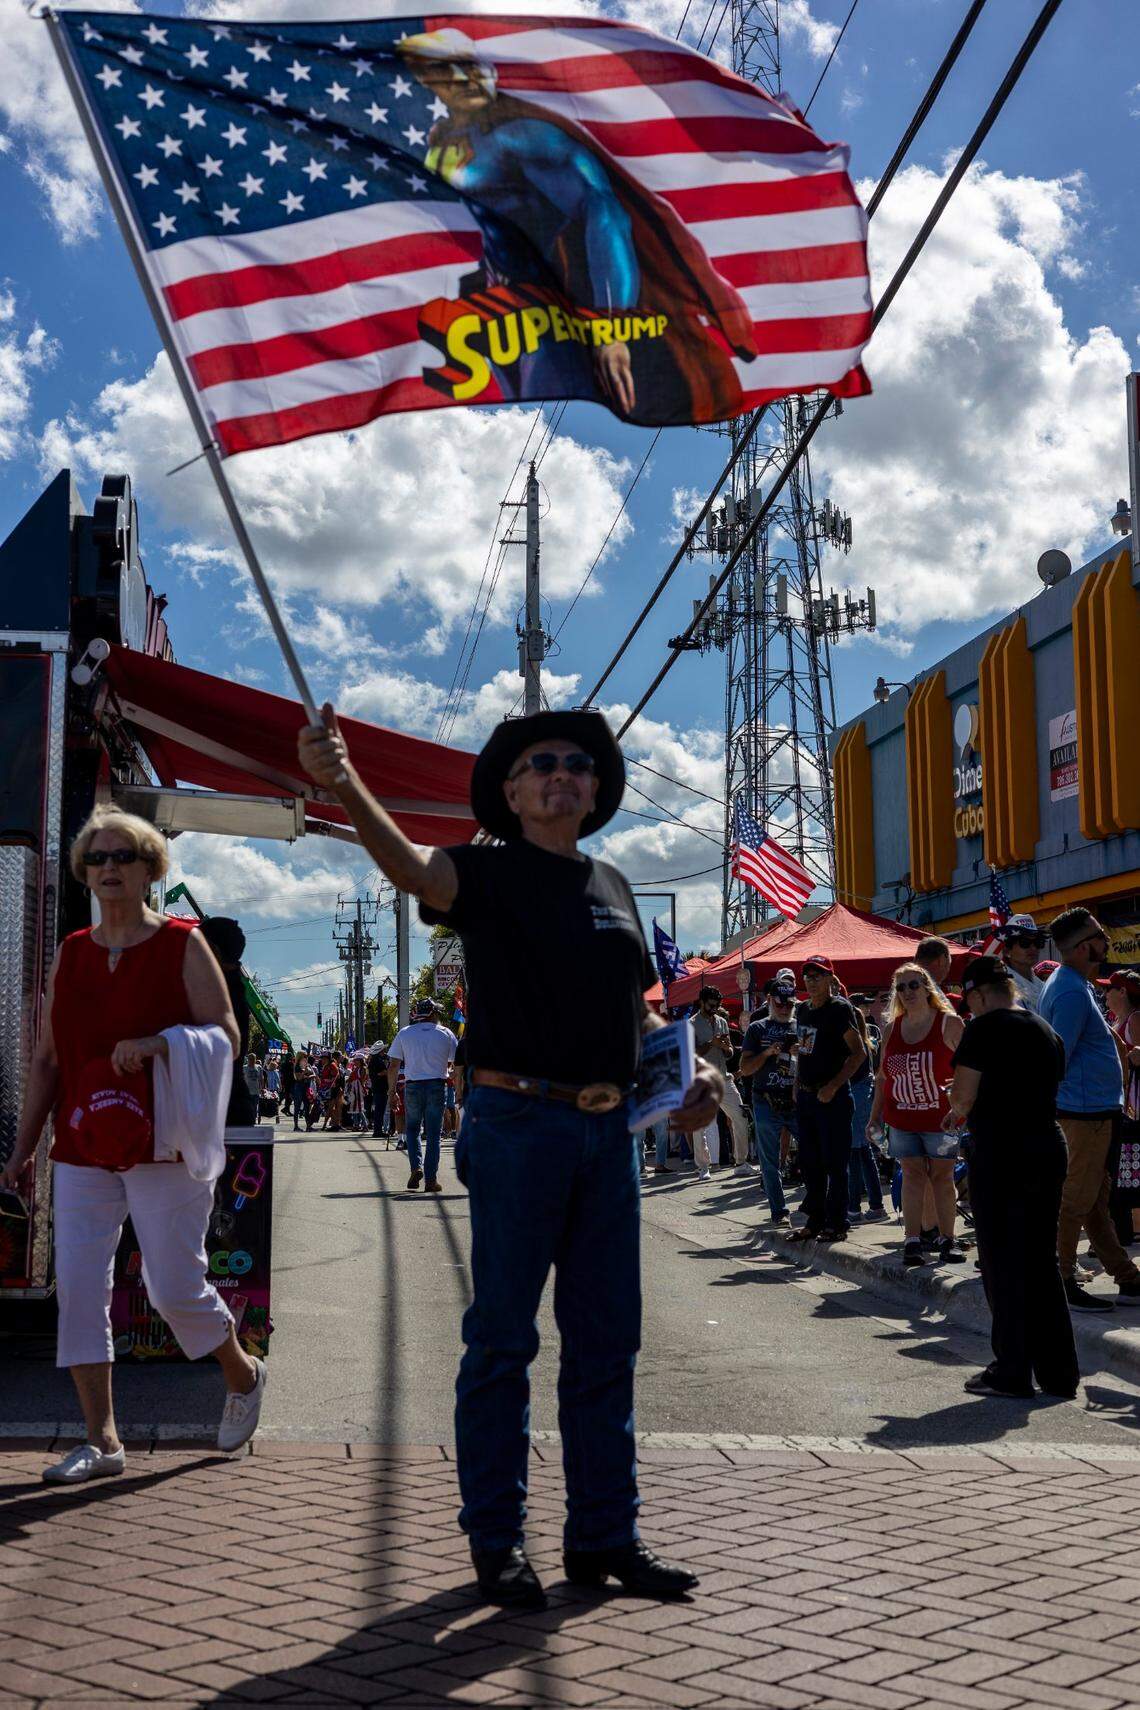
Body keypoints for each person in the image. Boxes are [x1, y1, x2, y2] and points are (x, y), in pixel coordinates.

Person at [299, 703, 720, 1610]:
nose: (561, 772)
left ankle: (606, 1535)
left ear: (596, 787)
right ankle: (497, 1540)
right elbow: (411, 866)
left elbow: (637, 1014)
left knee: (607, 1344)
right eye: (541, 764)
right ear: (513, 790)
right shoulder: (483, 873)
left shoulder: (614, 884)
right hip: (515, 1122)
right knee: (502, 1340)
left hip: (610, 1137)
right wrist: (343, 783)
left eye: (577, 762)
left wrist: (692, 1073)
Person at [0, 806, 266, 1482]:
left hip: (165, 1143)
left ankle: (241, 1371)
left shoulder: (182, 943)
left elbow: (227, 1036)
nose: (108, 868)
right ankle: (103, 1441)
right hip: (85, 1141)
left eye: (123, 856)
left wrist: (160, 1045)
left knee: (173, 1286)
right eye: (97, 858)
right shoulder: (73, 953)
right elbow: (48, 1061)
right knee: (81, 1290)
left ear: (152, 868)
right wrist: (23, 1147)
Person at [945, 955, 1078, 1399]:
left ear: (978, 994)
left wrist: (955, 1102)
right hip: (1046, 1143)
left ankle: (1012, 1368)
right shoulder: (1044, 1029)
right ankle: (1059, 1373)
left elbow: (963, 1097)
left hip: (1003, 1151)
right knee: (1041, 1261)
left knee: (1003, 1263)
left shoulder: (984, 1028)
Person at [1040, 909, 1140, 1312]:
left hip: (1095, 1111)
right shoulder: (1067, 990)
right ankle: (1060, 1280)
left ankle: (1127, 1278)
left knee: (1095, 1200)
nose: (1106, 941)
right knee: (1075, 1200)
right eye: (1100, 935)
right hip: (1083, 1114)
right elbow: (1057, 1054)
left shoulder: (1073, 984)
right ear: (1084, 947)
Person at [869, 962, 964, 1267]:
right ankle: (912, 1240)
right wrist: (874, 1116)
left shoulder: (949, 1024)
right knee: (911, 1174)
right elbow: (883, 1076)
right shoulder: (891, 1028)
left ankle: (947, 1239)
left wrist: (960, 1107)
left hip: (941, 1118)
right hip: (902, 1118)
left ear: (927, 988)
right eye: (901, 987)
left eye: (913, 985)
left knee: (942, 1176)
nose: (907, 992)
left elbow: (968, 1071)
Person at [787, 955, 865, 1244]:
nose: (811, 980)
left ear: (830, 979)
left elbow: (859, 1054)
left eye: (818, 975)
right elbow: (806, 1051)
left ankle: (837, 1223)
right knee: (810, 1164)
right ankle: (815, 1221)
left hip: (833, 1097)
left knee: (835, 1163)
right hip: (807, 1097)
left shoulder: (840, 1009)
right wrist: (797, 1083)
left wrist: (833, 1086)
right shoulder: (804, 1010)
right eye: (807, 975)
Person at [739, 977, 799, 1224]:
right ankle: (779, 1210)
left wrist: (801, 1054)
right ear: (770, 1001)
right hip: (766, 1099)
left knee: (815, 1151)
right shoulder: (757, 1028)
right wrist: (767, 1052)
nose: (785, 1007)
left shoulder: (801, 1025)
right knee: (769, 1160)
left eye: (789, 1003)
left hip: (795, 1099)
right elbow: (745, 1068)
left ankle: (815, 1205)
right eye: (780, 1002)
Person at [388, 999, 458, 1192]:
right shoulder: (446, 1033)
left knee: (412, 1129)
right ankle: (430, 1180)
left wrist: (391, 1092)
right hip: (437, 1084)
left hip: (412, 1086)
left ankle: (416, 1167)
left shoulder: (405, 1033)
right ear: (433, 1014)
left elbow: (394, 1065)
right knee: (434, 1133)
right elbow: (455, 1063)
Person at [198, 916, 256, 1126]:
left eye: (197, 946)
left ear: (213, 951)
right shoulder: (234, 988)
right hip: (232, 1103)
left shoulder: (219, 994)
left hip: (218, 1107)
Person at [691, 986, 752, 1180]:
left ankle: (741, 1162)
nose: (715, 1008)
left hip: (724, 1078)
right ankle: (703, 1166)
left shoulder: (722, 1022)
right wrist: (711, 1043)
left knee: (741, 1118)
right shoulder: (691, 1024)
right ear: (701, 1002)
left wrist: (726, 1048)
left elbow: (730, 1052)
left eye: (718, 1005)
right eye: (711, 1005)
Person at [1107, 971, 1140, 1246]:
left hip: (1136, 1105)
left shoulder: (1136, 1018)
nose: (1105, 994)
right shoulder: (1115, 1020)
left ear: (1123, 993)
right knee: (1126, 1169)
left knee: (1133, 1167)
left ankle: (1135, 1228)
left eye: (1111, 989)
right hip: (1122, 1104)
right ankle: (1127, 1229)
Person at [847, 996, 886, 1223]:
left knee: (855, 1152)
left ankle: (854, 1208)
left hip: (858, 1097)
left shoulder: (858, 1047)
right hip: (863, 1097)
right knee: (863, 1152)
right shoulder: (865, 1041)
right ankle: (875, 1205)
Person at [997, 914, 1047, 1012]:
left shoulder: (1042, 986)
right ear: (1007, 951)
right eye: (1025, 943)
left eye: (1037, 942)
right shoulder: (1001, 988)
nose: (1033, 948)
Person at [242, 1052, 262, 1125]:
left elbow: (261, 1078)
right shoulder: (244, 1068)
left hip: (256, 1091)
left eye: (253, 1059)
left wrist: (262, 1088)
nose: (252, 1060)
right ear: (248, 1059)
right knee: (247, 1107)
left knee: (254, 1107)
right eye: (250, 1059)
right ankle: (247, 1120)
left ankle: (253, 1120)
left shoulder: (259, 1067)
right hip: (247, 1091)